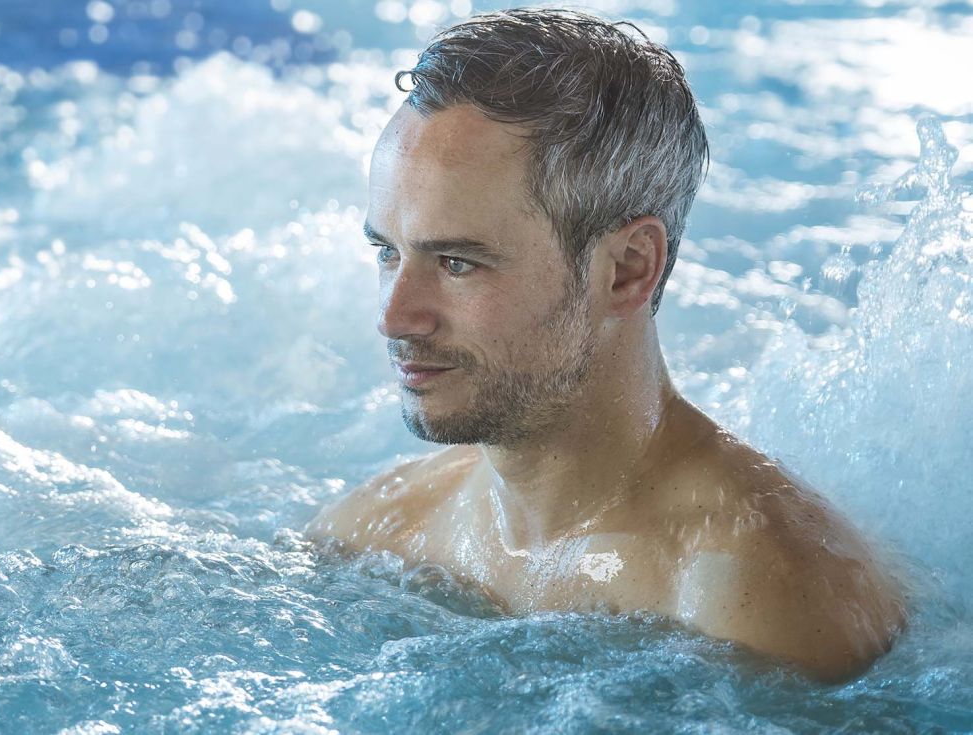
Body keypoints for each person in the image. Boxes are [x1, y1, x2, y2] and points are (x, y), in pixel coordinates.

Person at [304, 8, 905, 682]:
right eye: (387, 252)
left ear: (626, 269)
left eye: (457, 263)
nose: (393, 317)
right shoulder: (381, 531)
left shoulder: (763, 603)